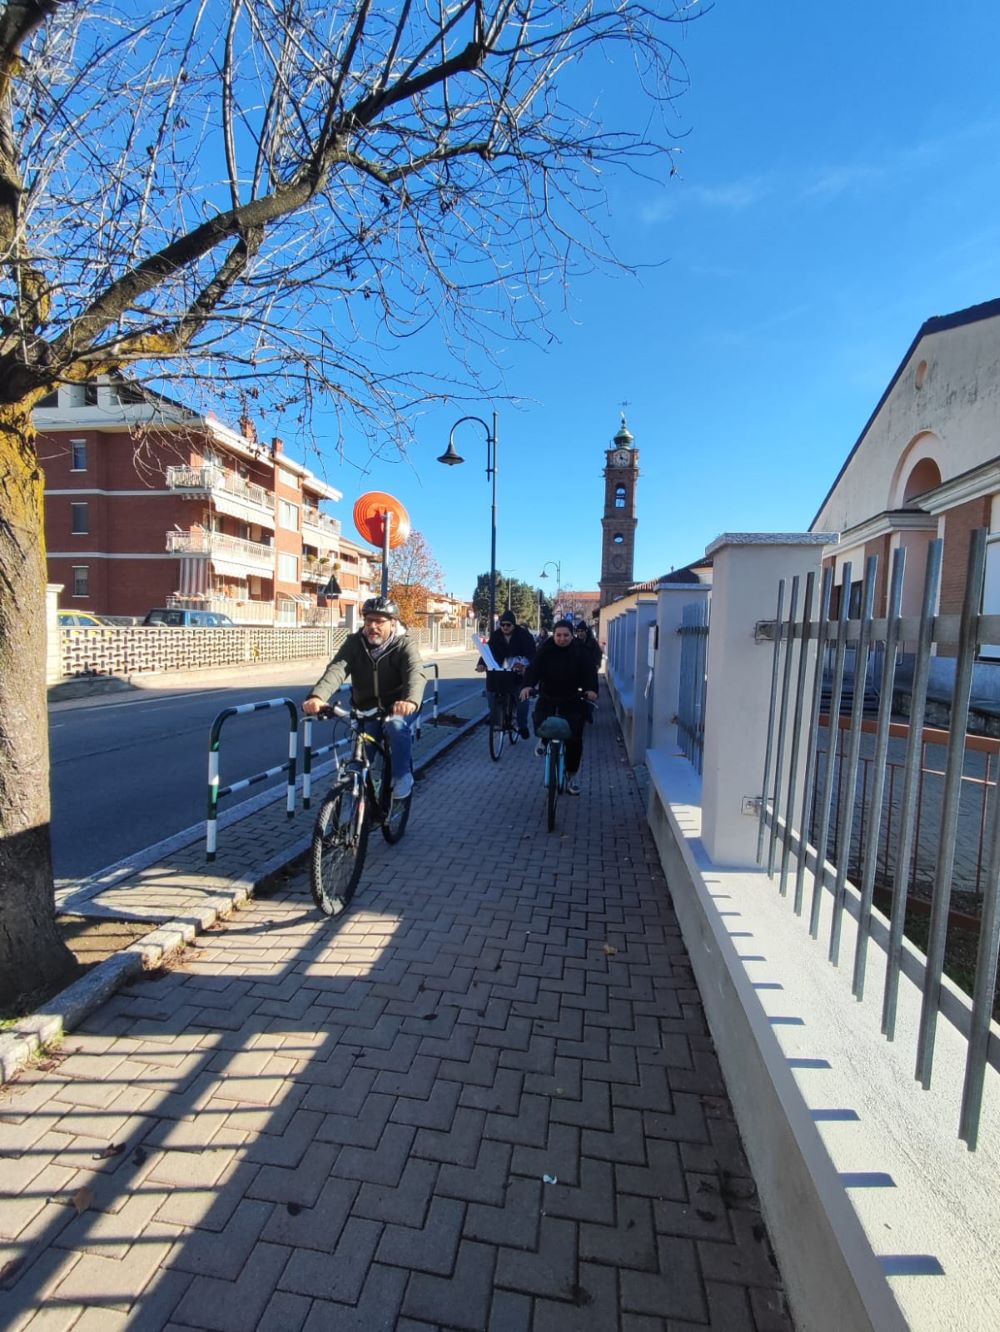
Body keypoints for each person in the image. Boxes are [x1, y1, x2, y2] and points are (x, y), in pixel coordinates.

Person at [302, 596, 423, 799]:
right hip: (366, 708)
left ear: (393, 623)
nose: (372, 626)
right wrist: (317, 696)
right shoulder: (355, 643)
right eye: (368, 621)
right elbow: (337, 670)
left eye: (379, 621)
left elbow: (415, 673)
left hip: (398, 707)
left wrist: (410, 700)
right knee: (360, 757)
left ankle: (402, 776)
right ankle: (356, 806)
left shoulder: (404, 645)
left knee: (395, 727)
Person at [520, 619, 598, 795]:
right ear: (553, 635)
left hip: (572, 697)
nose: (562, 639)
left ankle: (571, 776)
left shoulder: (581, 651)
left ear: (572, 635)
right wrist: (527, 685)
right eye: (558, 635)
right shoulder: (545, 649)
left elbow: (590, 673)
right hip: (548, 696)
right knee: (540, 720)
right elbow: (533, 669)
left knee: (574, 738)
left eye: (566, 635)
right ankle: (544, 739)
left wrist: (591, 690)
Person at [476, 609, 536, 738]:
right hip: (500, 673)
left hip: (518, 674)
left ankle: (522, 726)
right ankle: (495, 717)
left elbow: (532, 653)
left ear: (514, 624)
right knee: (490, 692)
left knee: (522, 698)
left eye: (508, 624)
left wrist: (526, 667)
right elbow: (487, 651)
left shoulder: (524, 635)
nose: (505, 627)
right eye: (502, 624)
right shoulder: (496, 635)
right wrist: (481, 664)